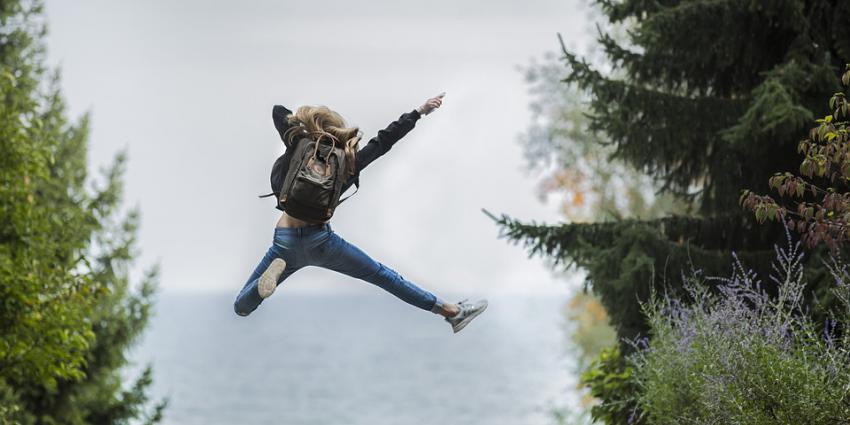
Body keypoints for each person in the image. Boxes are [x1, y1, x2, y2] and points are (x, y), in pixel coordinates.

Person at [233, 92, 488, 333]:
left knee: (241, 307)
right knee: (384, 277)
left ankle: (261, 288)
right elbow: (383, 141)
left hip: (285, 241)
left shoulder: (299, 144)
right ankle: (452, 312)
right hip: (321, 242)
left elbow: (279, 111)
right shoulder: (347, 161)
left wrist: (305, 127)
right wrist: (418, 112)